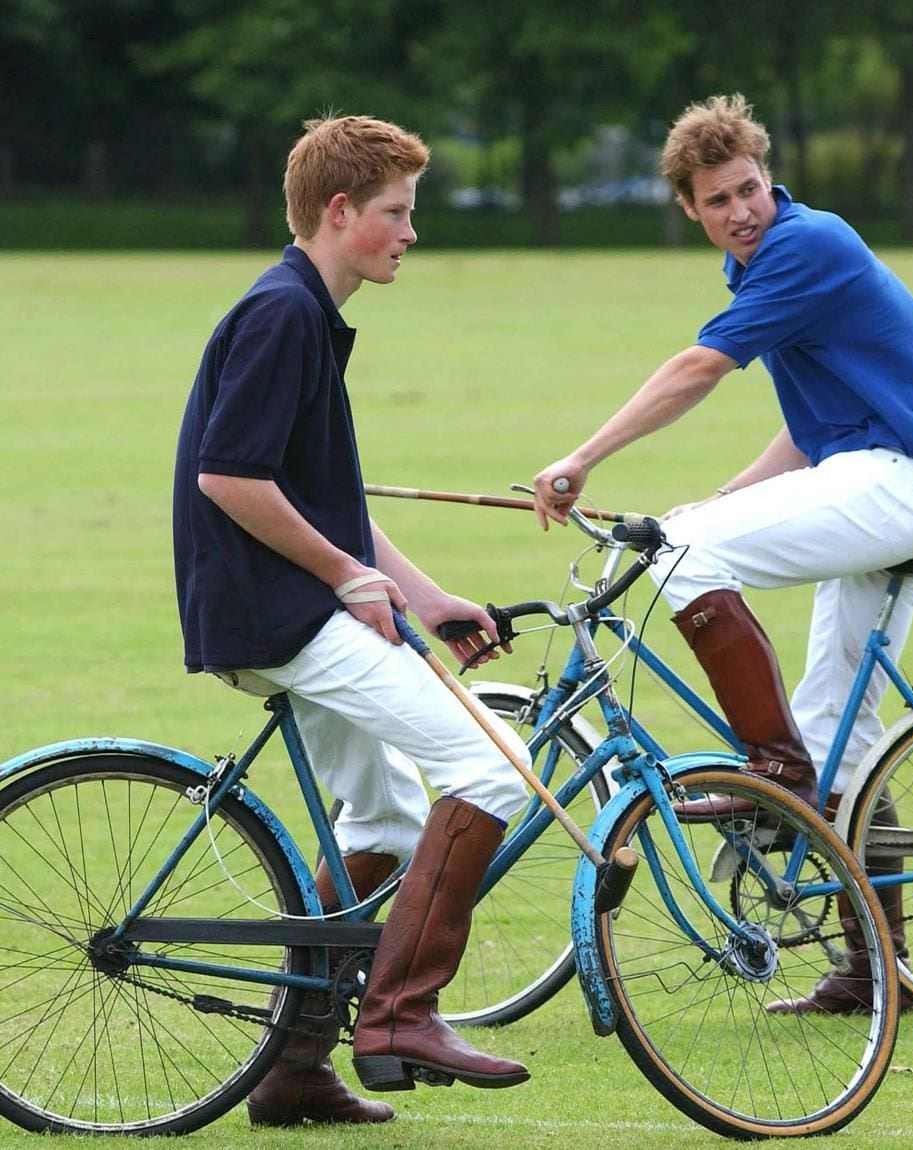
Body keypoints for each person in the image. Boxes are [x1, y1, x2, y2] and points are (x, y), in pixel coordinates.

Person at [532, 94, 913, 1015]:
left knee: (687, 555)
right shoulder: (769, 267)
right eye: (719, 200)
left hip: (903, 481)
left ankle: (771, 773)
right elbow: (811, 424)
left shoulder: (803, 244)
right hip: (892, 480)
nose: (742, 209)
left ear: (768, 180)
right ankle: (874, 969)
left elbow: (700, 369)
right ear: (690, 210)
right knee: (842, 738)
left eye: (750, 189)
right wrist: (728, 496)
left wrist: (583, 456)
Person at [173, 114, 530, 1127]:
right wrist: (343, 574)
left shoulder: (309, 315)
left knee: (382, 821)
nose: (410, 233)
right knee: (491, 769)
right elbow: (229, 477)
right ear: (339, 212)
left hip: (287, 601)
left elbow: (325, 494)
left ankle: (293, 1068)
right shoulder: (283, 314)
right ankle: (401, 1015)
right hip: (276, 609)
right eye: (395, 213)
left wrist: (415, 590)